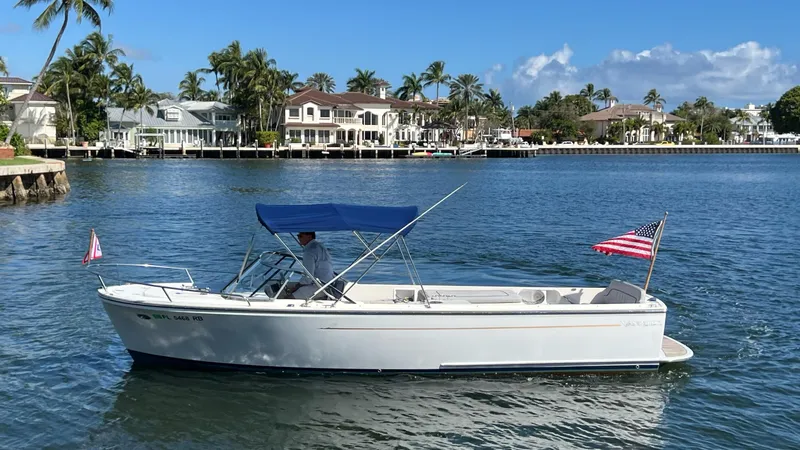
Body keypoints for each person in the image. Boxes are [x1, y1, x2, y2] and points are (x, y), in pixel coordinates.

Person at [286, 232, 334, 299]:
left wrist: (296, 287)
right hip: (329, 284)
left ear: (309, 236)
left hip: (318, 286)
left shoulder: (309, 251)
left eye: (300, 236)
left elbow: (308, 278)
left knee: (288, 298)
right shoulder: (320, 246)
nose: (298, 237)